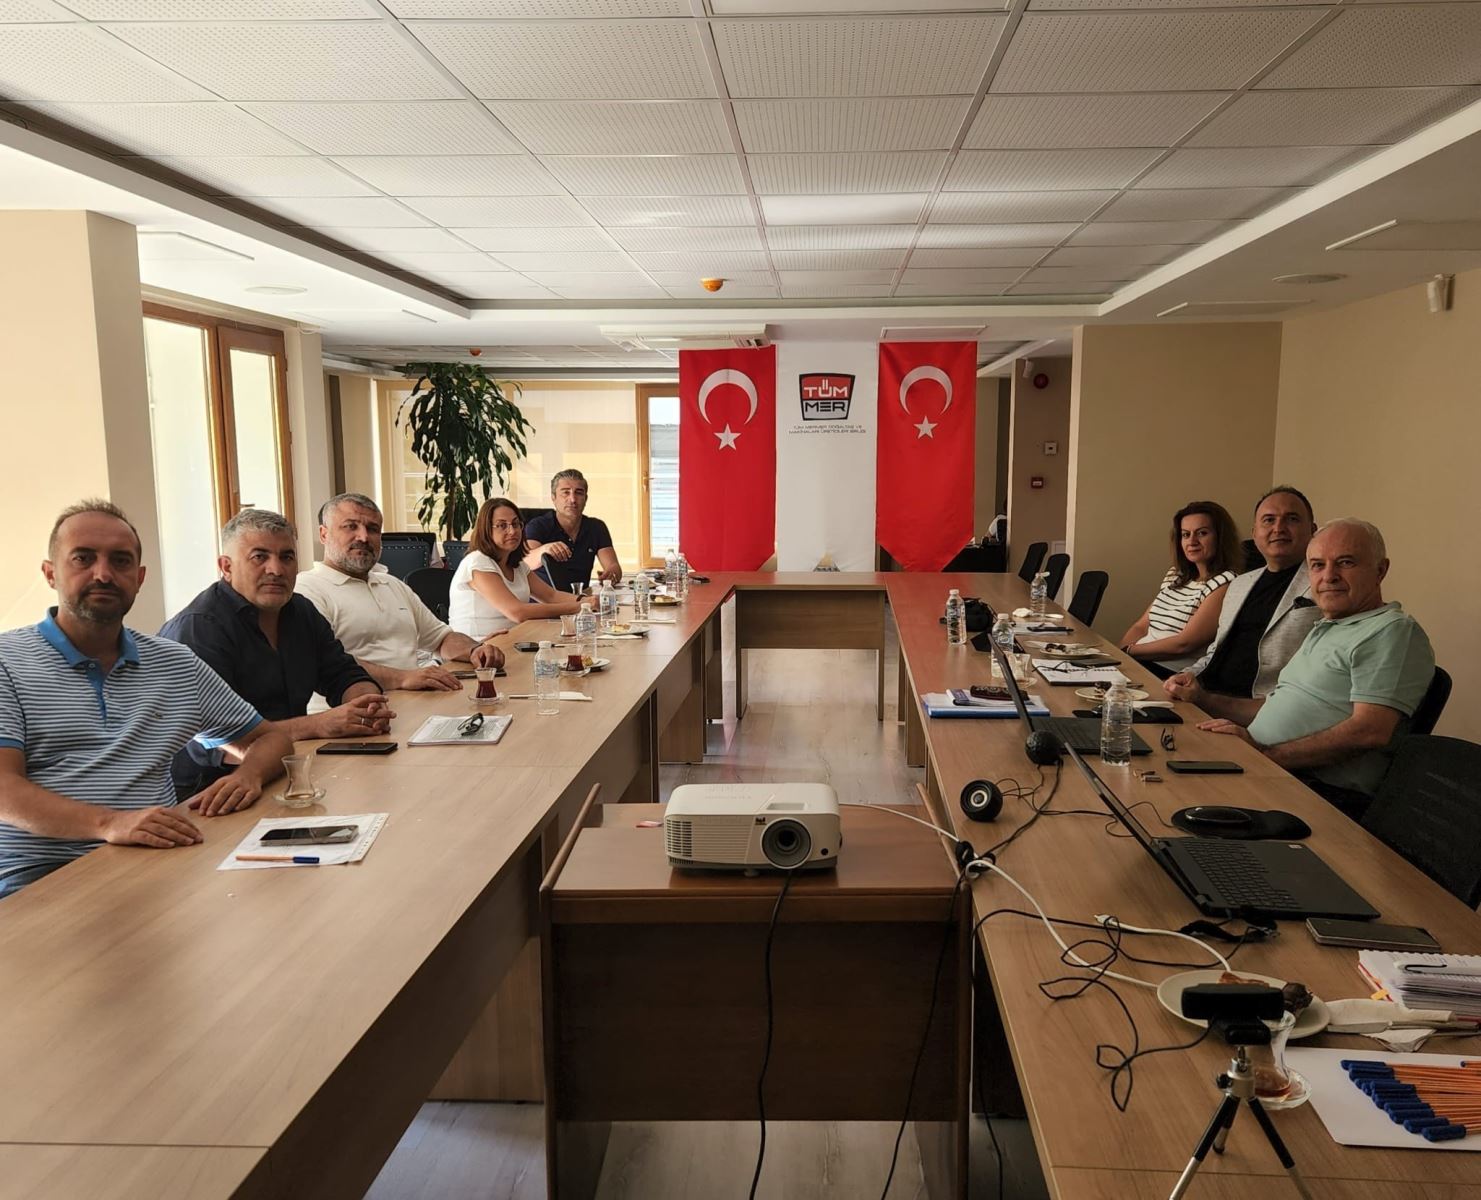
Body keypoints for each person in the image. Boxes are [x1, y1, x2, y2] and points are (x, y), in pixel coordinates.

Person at [0, 500, 293, 898]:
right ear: (50, 573)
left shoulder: (175, 663)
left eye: (120, 561)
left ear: (139, 578)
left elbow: (270, 738)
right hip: (41, 877)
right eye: (83, 558)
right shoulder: (7, 662)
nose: (103, 574)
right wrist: (110, 824)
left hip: (159, 861)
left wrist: (248, 776)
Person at [1199, 519, 1435, 818]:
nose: (1329, 576)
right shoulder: (1328, 626)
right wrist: (1203, 699)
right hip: (1269, 769)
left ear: (1380, 570)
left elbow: (1370, 731)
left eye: (1345, 563)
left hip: (1319, 794)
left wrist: (1266, 756)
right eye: (1318, 565)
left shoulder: (1391, 631)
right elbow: (1274, 706)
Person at [160, 508, 395, 798]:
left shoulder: (301, 611)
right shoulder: (199, 629)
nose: (276, 570)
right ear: (226, 567)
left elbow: (342, 673)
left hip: (290, 770)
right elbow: (218, 741)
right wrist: (320, 724)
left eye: (287, 557)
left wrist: (366, 706)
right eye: (259, 557)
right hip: (210, 789)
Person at [295, 493, 504, 692]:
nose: (364, 537)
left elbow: (441, 638)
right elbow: (325, 661)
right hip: (352, 710)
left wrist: (475, 650)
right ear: (324, 534)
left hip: (414, 701)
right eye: (350, 526)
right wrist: (402, 678)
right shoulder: (307, 589)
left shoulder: (392, 584)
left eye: (373, 529)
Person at [1163, 487, 1323, 719]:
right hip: (1201, 697)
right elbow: (1216, 651)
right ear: (1254, 533)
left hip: (1257, 711)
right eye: (1269, 520)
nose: (1278, 528)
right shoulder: (1240, 584)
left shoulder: (1324, 584)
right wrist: (1188, 675)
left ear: (1312, 530)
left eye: (1292, 519)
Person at [1118, 500, 1241, 678]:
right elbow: (1141, 626)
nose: (1192, 541)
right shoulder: (1176, 575)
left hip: (1169, 674)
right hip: (1139, 661)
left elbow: (1184, 644)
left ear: (1220, 538)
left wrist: (1129, 651)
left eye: (1202, 533)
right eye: (1185, 534)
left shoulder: (1226, 583)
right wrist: (1119, 655)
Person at [449, 498, 582, 637]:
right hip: (478, 645)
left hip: (513, 640)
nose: (512, 531)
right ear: (486, 530)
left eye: (515, 524)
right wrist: (579, 607)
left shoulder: (517, 565)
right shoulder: (478, 562)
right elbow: (518, 612)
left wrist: (587, 601)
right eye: (502, 525)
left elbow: (551, 596)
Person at [522, 469, 622, 593]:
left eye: (579, 493)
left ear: (586, 498)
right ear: (553, 497)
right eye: (566, 493)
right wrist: (544, 550)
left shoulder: (596, 527)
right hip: (545, 600)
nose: (573, 499)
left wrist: (611, 574)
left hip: (581, 598)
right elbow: (525, 561)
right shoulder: (538, 525)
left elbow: (613, 566)